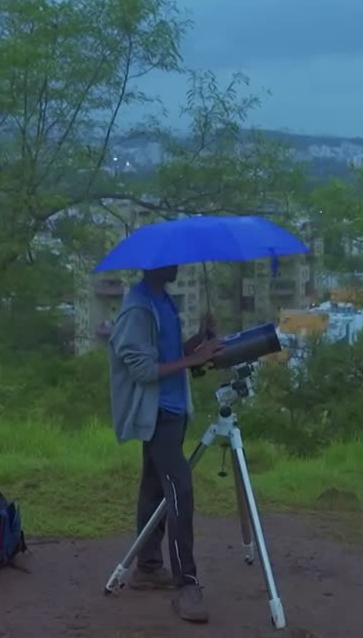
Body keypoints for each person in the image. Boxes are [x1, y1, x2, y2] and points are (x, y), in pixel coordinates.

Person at [108, 264, 224, 624]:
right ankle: (186, 585)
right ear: (154, 265)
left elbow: (169, 355)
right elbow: (142, 370)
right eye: (172, 261)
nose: (178, 266)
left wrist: (198, 342)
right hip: (155, 415)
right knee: (180, 492)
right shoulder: (137, 309)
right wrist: (195, 358)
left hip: (174, 411)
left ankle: (149, 566)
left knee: (154, 489)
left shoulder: (164, 301)